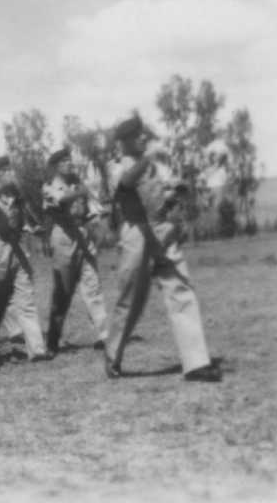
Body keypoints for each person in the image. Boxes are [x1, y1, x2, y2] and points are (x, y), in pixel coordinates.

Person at [104, 115, 221, 382]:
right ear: (124, 142)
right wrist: (147, 160)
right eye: (137, 135)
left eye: (143, 134)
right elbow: (124, 185)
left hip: (162, 230)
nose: (144, 138)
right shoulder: (118, 165)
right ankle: (113, 356)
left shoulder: (150, 167)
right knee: (131, 300)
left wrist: (173, 193)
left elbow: (155, 196)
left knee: (181, 289)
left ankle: (196, 363)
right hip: (136, 233)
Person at [0, 157, 51, 362]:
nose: (11, 173)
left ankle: (37, 349)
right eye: (6, 170)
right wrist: (1, 187)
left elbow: (23, 220)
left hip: (18, 249)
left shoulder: (17, 197)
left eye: (10, 169)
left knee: (25, 299)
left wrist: (33, 228)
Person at [42, 147, 108, 355]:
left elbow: (87, 209)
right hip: (63, 237)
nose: (70, 163)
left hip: (82, 234)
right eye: (65, 161)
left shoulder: (76, 183)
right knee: (63, 292)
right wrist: (84, 189)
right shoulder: (49, 186)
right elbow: (61, 200)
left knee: (92, 285)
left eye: (70, 160)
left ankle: (105, 335)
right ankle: (52, 341)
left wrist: (94, 223)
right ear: (56, 166)